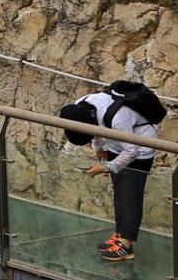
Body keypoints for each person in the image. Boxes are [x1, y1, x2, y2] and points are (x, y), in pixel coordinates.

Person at [63, 83, 162, 263]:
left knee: (130, 195)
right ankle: (119, 235)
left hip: (140, 147)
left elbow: (131, 151)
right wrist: (99, 149)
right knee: (120, 193)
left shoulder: (117, 118)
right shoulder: (82, 106)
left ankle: (126, 245)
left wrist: (107, 167)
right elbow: (95, 131)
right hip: (117, 144)